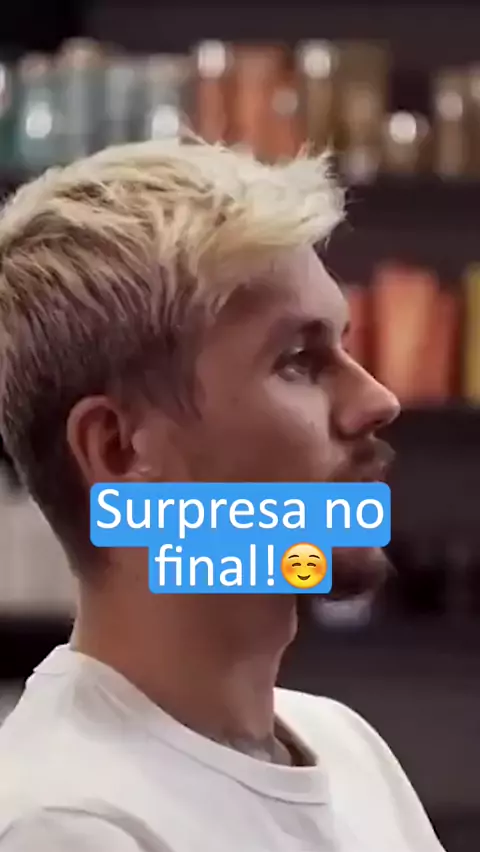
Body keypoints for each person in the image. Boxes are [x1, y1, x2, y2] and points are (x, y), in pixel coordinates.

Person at [0, 136, 444, 851]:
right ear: (120, 448)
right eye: (299, 360)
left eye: (344, 344)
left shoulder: (347, 747)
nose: (377, 399)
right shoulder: (65, 823)